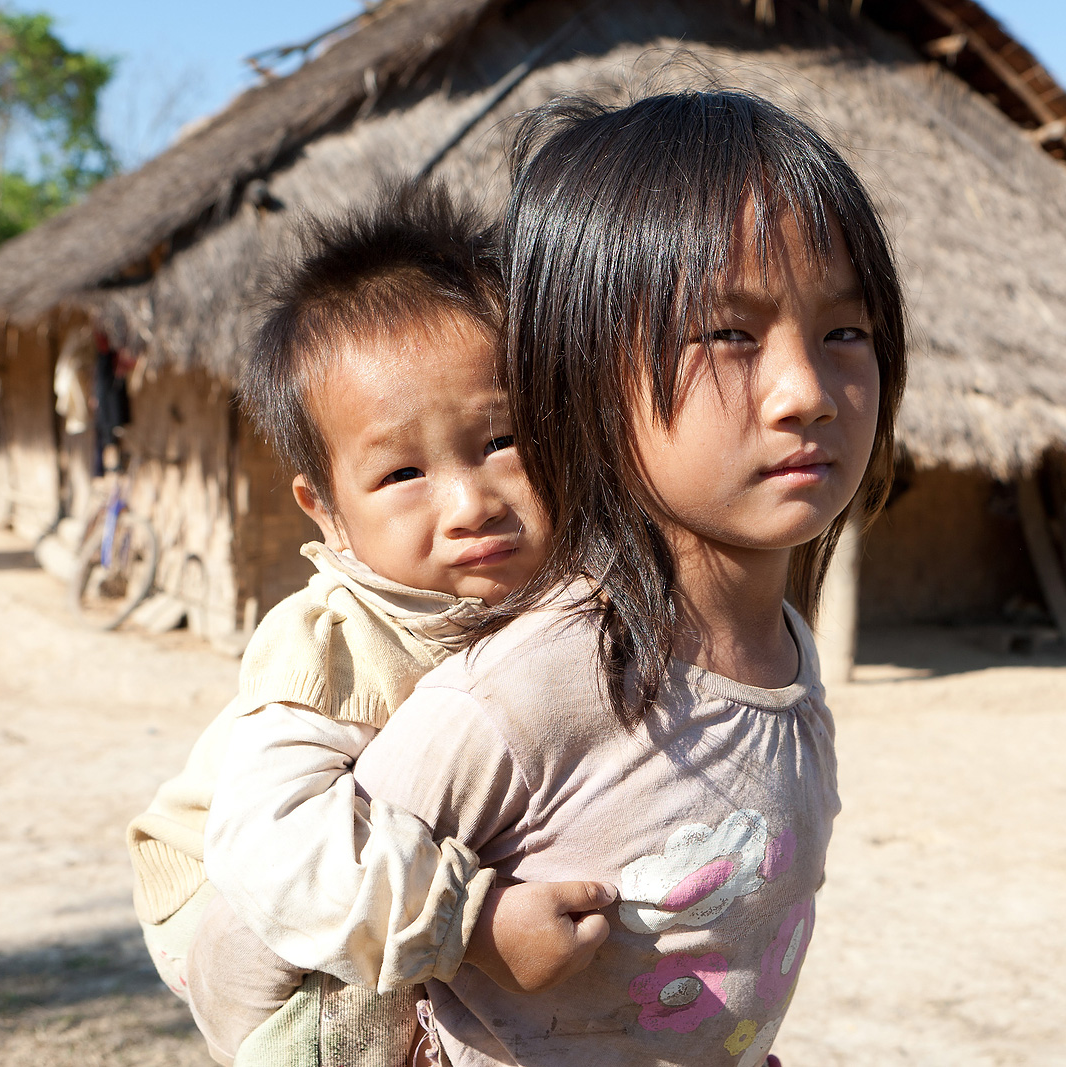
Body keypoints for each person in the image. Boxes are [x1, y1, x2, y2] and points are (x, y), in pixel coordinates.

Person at [349, 89, 907, 1065]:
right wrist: (467, 927)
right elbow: (285, 920)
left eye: (845, 332)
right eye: (727, 334)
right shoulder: (529, 688)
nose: (807, 393)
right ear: (583, 372)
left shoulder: (782, 646)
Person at [125, 183, 611, 1067]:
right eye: (401, 474)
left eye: (503, 440)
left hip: (338, 866)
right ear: (327, 511)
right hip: (223, 886)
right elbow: (275, 851)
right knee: (353, 1020)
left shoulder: (567, 590)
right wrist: (470, 924)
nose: (470, 503)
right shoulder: (331, 643)